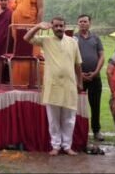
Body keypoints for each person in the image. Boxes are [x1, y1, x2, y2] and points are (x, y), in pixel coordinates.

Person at [24, 17, 82, 156]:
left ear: (65, 26)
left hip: (69, 85)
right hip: (53, 85)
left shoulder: (73, 42)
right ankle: (55, 146)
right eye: (55, 26)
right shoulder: (46, 40)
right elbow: (26, 37)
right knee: (53, 119)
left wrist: (80, 81)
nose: (58, 28)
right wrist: (38, 26)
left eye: (61, 26)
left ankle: (67, 146)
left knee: (69, 119)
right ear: (51, 27)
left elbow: (78, 64)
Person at [76, 14, 105, 142]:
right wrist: (79, 74)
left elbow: (102, 56)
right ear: (78, 24)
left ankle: (96, 130)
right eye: (81, 21)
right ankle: (78, 131)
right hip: (79, 78)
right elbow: (70, 58)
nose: (83, 23)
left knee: (95, 105)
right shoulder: (73, 38)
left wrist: (95, 72)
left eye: (85, 21)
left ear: (90, 23)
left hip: (95, 77)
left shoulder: (96, 38)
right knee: (77, 106)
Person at [12, 0, 44, 86]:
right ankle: (19, 81)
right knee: (20, 54)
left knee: (31, 54)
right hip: (18, 29)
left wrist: (37, 26)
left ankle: (31, 81)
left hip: (30, 29)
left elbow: (40, 9)